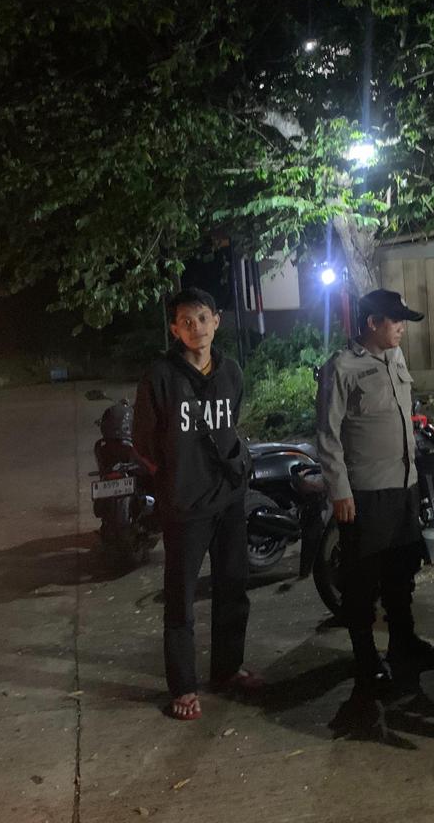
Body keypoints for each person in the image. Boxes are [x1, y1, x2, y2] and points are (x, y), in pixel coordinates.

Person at [316, 288, 434, 700]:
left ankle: (403, 643)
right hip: (365, 493)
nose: (402, 328)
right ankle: (365, 659)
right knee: (361, 582)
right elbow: (327, 436)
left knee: (401, 573)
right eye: (396, 321)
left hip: (402, 485)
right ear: (373, 322)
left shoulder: (395, 357)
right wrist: (340, 491)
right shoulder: (341, 368)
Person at [133, 287, 260, 721]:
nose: (196, 328)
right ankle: (184, 687)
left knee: (233, 588)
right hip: (185, 507)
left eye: (202, 318)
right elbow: (144, 442)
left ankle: (228, 669)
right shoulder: (160, 377)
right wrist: (174, 479)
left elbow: (231, 423)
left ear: (216, 321)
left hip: (229, 499)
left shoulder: (231, 372)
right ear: (175, 329)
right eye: (186, 322)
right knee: (180, 599)